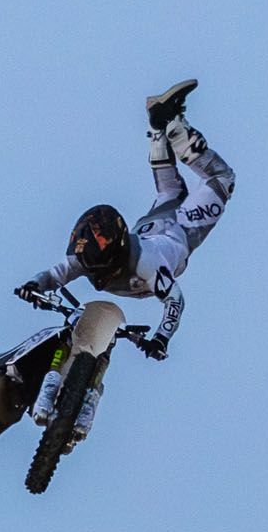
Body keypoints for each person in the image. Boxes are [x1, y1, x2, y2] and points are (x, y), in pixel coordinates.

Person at [18, 77, 234, 356]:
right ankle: (162, 126)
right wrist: (33, 286)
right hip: (160, 232)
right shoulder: (88, 259)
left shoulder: (142, 264)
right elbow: (52, 275)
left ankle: (167, 128)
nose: (91, 270)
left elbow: (175, 299)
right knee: (195, 184)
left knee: (205, 182)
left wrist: (162, 338)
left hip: (171, 230)